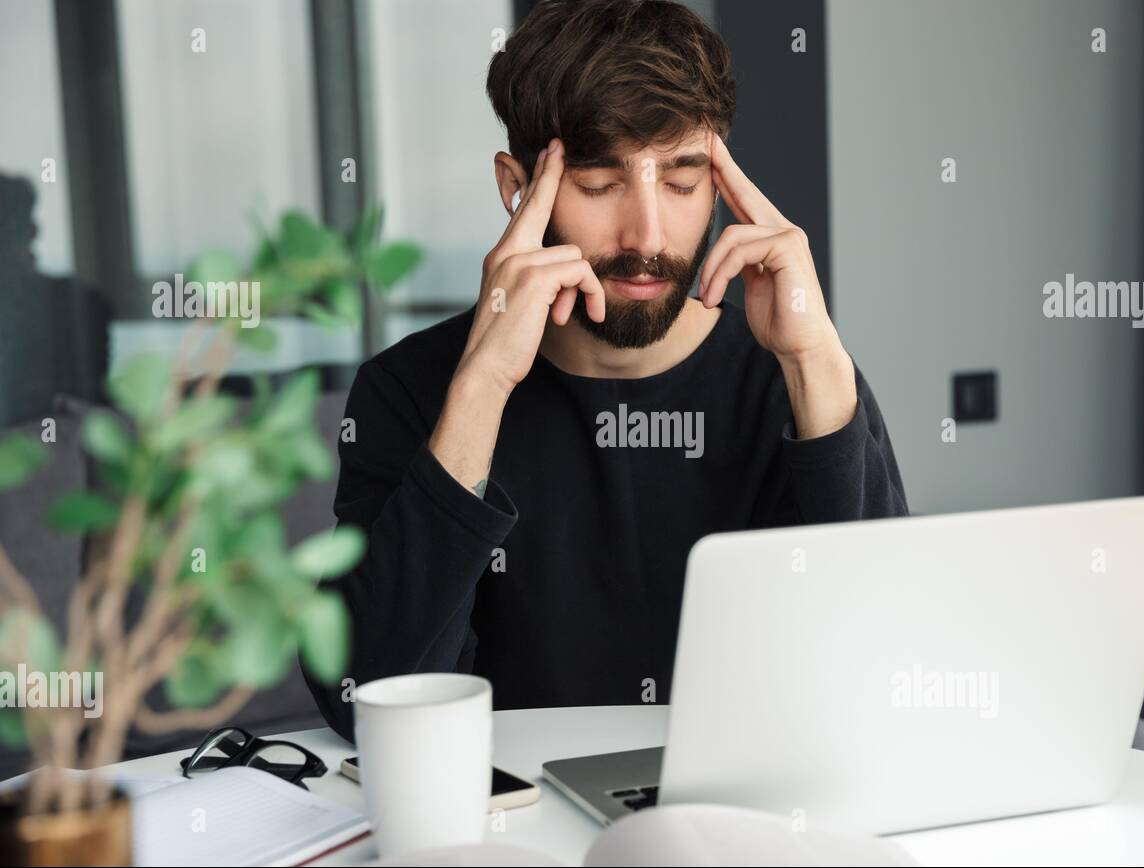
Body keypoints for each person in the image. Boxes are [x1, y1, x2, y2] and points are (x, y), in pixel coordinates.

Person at [306, 0, 907, 741]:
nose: (648, 236)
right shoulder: (409, 389)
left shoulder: (793, 377)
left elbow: (886, 665)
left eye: (683, 184)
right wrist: (482, 388)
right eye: (599, 184)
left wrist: (816, 361)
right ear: (517, 188)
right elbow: (364, 701)